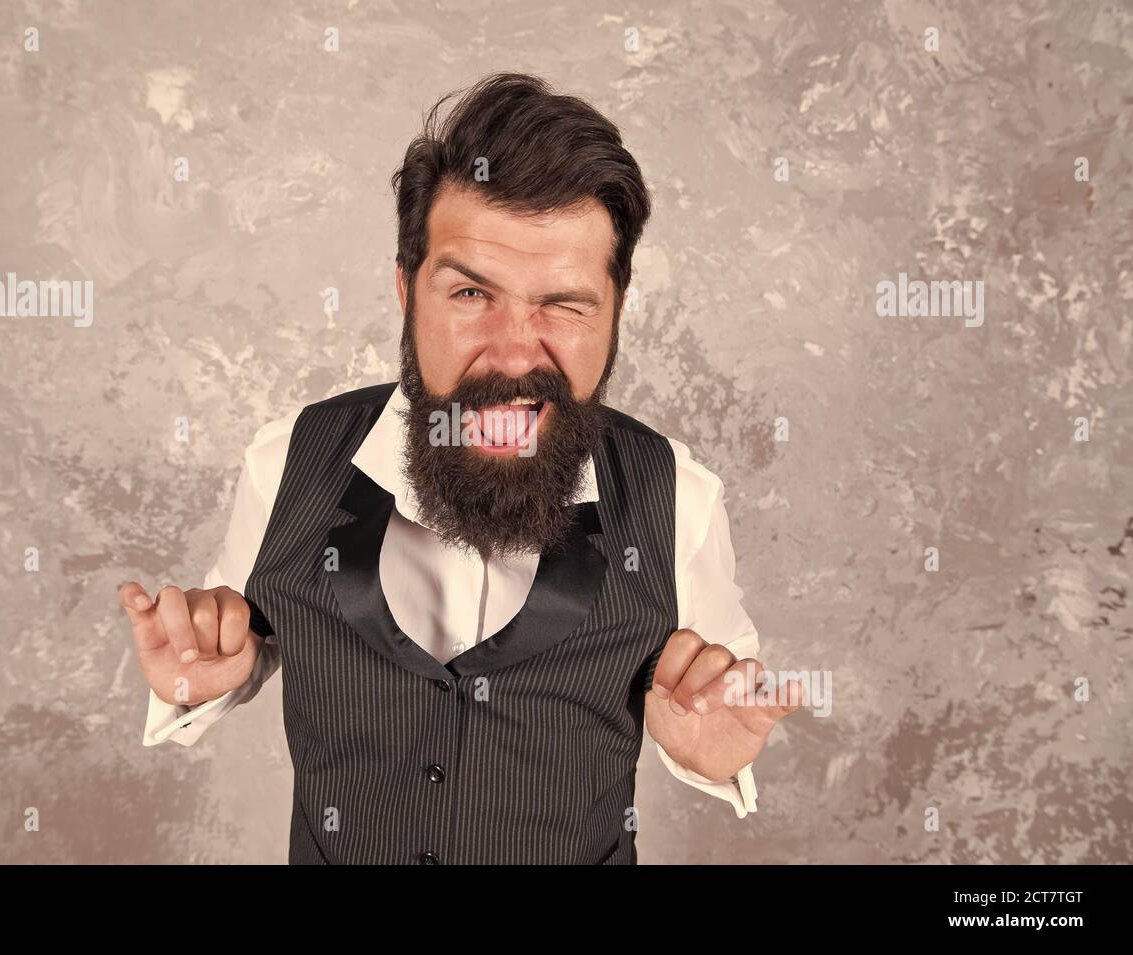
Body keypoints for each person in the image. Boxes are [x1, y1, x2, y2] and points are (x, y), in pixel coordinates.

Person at [119, 72, 801, 864]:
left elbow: (715, 708)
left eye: (565, 303)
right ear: (408, 291)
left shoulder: (676, 498)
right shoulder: (288, 465)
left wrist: (715, 753)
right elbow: (235, 644)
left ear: (615, 311)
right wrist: (198, 675)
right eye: (472, 291)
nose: (515, 351)